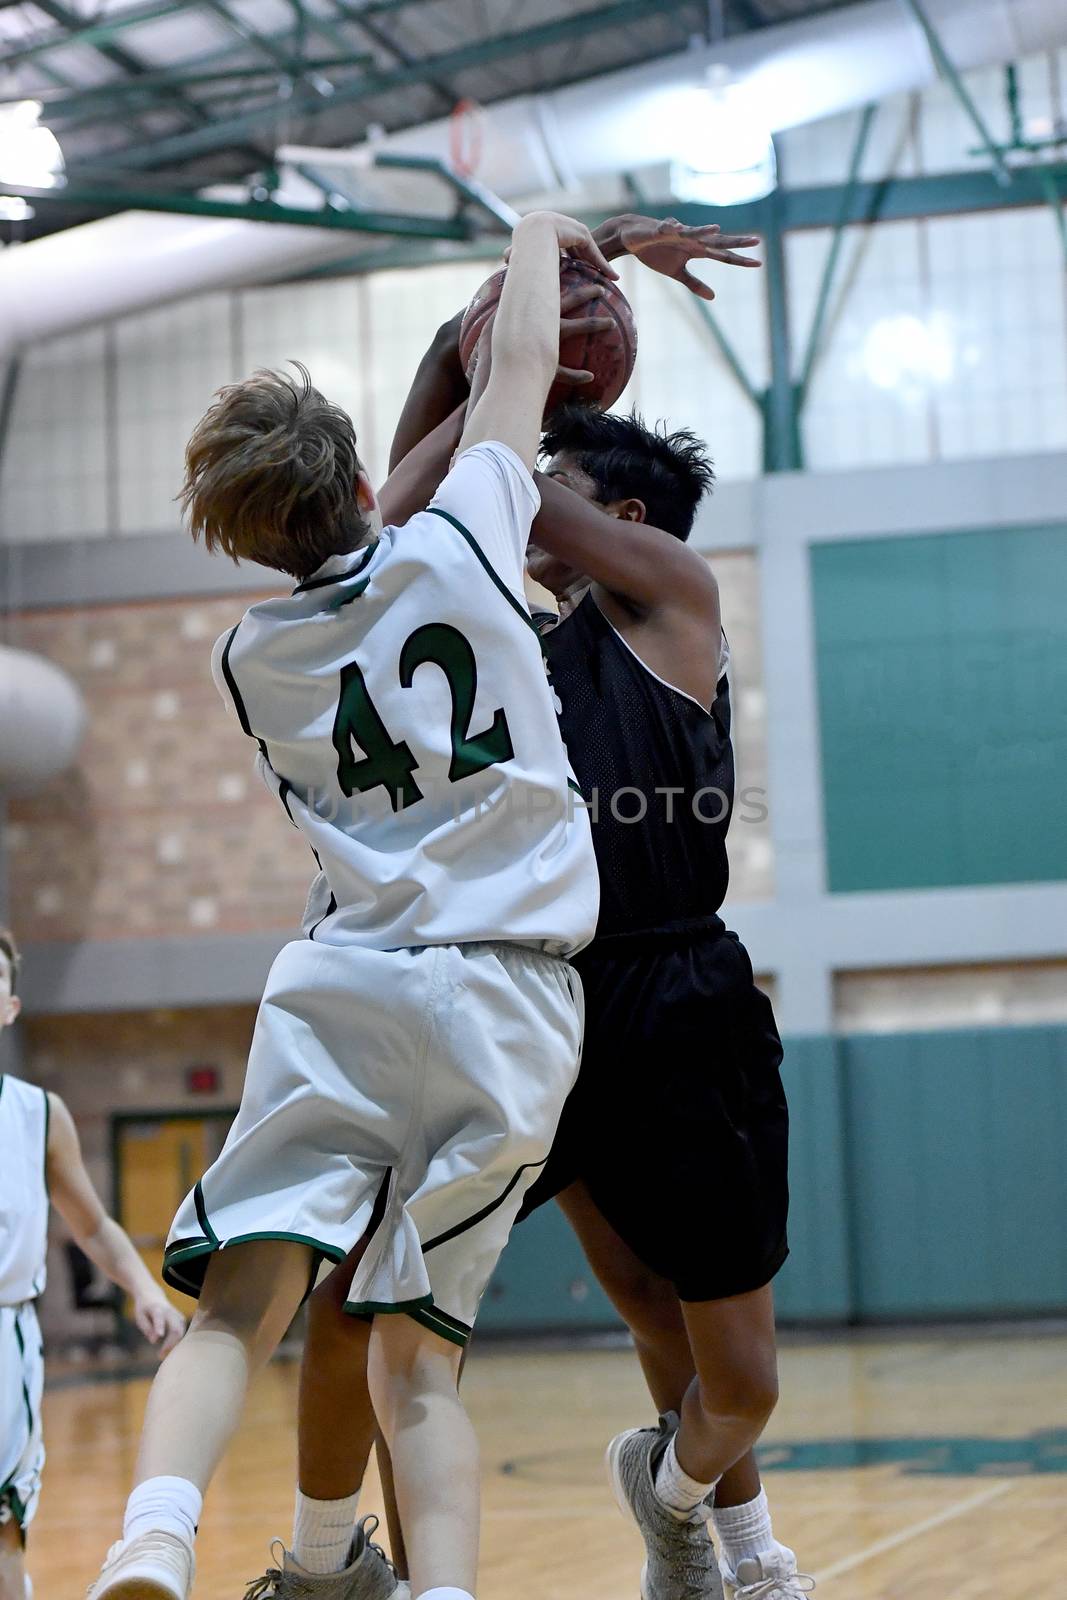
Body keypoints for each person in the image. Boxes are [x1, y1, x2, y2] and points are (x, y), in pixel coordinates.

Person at [246, 216, 809, 1600]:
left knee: (718, 1361)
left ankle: (701, 1516)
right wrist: (513, 312)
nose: (524, 491)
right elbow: (418, 491)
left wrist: (527, 340)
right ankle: (364, 1567)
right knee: (396, 1314)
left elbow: (469, 472)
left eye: (554, 477)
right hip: (518, 989)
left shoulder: (673, 594)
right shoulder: (492, 636)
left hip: (672, 991)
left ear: (618, 518)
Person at [86, 207, 610, 1600]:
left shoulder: (250, 658)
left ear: (240, 537)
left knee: (234, 1308)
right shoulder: (464, 543)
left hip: (349, 983)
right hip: (507, 997)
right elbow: (513, 377)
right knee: (415, 1360)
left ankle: (153, 1536)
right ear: (361, 475)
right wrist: (545, 227)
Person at [0, 927, 185, 1600]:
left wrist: (146, 1291)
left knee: (3, 1527)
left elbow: (94, 1226)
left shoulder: (37, 1116)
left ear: (10, 1006)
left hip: (4, 1339)